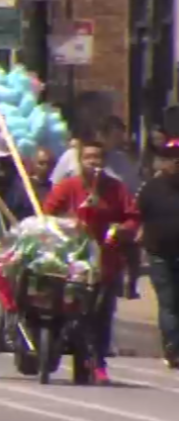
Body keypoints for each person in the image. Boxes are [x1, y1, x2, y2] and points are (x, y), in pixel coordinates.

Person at [44, 139, 140, 384]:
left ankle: (98, 363)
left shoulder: (116, 189)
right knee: (66, 311)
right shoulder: (69, 186)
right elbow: (47, 213)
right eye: (88, 157)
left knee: (101, 314)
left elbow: (132, 217)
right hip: (72, 261)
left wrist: (121, 229)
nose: (93, 162)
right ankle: (52, 348)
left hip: (105, 262)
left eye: (97, 157)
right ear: (80, 160)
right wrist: (65, 224)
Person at [135, 136, 179, 369]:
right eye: (171, 159)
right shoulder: (151, 188)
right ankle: (173, 348)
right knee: (169, 302)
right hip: (159, 254)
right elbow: (135, 217)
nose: (176, 163)